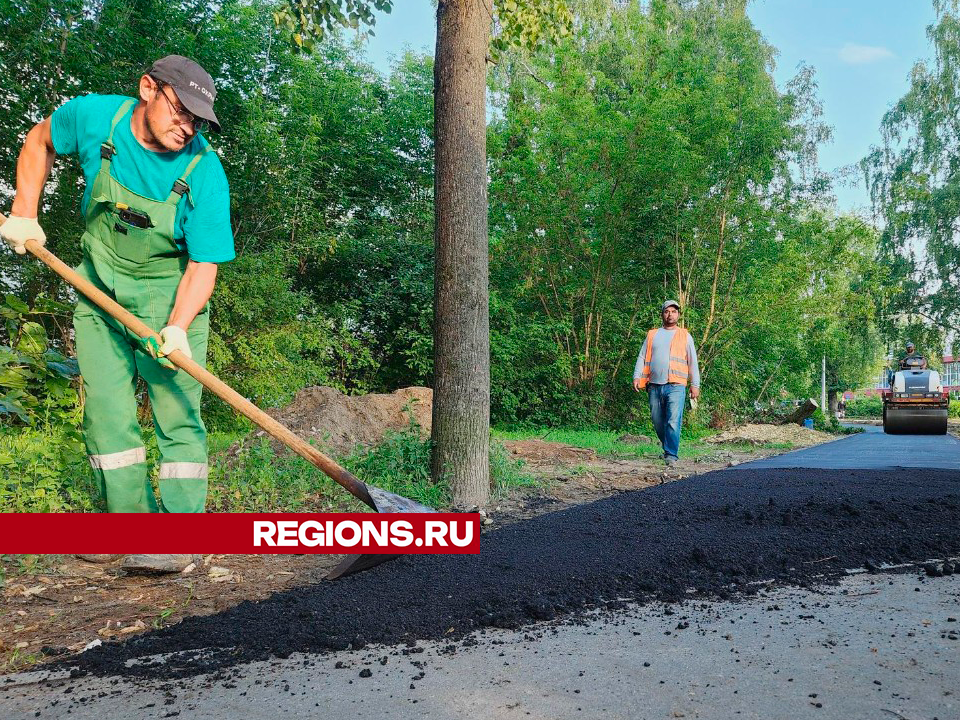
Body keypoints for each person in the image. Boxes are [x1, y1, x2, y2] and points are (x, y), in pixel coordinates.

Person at [1, 56, 234, 573]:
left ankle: (179, 540)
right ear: (148, 88)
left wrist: (176, 328)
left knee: (177, 415)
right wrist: (23, 211)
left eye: (196, 120)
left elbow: (205, 262)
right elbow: (38, 141)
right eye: (180, 111)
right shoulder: (95, 119)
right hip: (97, 285)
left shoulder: (204, 171)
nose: (186, 127)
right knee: (107, 413)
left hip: (170, 298)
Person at [632, 300, 701, 467]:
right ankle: (668, 446)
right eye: (667, 311)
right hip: (654, 385)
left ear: (678, 315)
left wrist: (695, 384)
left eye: (674, 311)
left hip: (676, 386)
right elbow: (642, 356)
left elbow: (693, 361)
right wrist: (636, 376)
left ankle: (671, 454)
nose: (670, 314)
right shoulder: (652, 335)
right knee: (657, 420)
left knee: (672, 420)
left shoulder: (685, 335)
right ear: (662, 314)